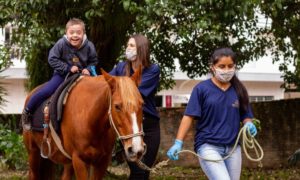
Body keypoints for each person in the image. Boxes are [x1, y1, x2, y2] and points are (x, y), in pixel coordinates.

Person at [167, 47, 257, 180]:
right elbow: (189, 116)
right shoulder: (201, 89)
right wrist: (178, 142)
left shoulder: (239, 90)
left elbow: (245, 114)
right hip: (208, 146)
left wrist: (248, 124)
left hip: (233, 148)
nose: (226, 70)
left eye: (230, 66)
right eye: (222, 66)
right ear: (212, 67)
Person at [21, 18, 98, 130]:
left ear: (84, 33)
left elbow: (93, 61)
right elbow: (52, 58)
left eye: (78, 33)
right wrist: (67, 68)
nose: (75, 35)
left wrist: (89, 69)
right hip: (62, 75)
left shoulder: (89, 45)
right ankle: (27, 112)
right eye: (71, 33)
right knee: (47, 90)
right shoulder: (61, 44)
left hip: (83, 76)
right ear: (66, 33)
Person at [110, 34, 160, 180]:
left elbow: (136, 94)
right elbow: (107, 84)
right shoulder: (120, 67)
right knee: (138, 172)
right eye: (128, 45)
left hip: (149, 125)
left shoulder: (153, 70)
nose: (128, 48)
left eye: (132, 46)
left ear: (141, 49)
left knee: (145, 172)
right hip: (129, 127)